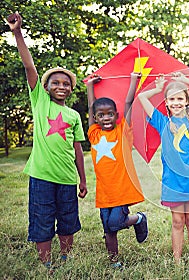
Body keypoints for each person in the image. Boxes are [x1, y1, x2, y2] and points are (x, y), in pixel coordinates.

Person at [6, 12, 87, 269]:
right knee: (42, 218)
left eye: (66, 83)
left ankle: (65, 256)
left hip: (66, 178)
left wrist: (82, 179)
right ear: (46, 86)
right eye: (55, 82)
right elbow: (29, 66)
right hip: (41, 176)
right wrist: (17, 32)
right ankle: (45, 262)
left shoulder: (73, 115)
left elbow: (77, 150)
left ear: (71, 89)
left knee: (67, 219)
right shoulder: (40, 102)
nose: (61, 86)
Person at [138, 72, 189, 264]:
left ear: (187, 101)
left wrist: (185, 81)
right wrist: (158, 88)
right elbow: (142, 97)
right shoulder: (162, 122)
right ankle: (177, 262)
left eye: (180, 98)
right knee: (177, 222)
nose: (176, 102)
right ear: (167, 102)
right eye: (172, 99)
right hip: (173, 182)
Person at [86, 73, 148, 268]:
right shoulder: (94, 133)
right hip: (104, 192)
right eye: (101, 115)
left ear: (116, 115)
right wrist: (90, 86)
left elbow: (128, 102)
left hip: (121, 190)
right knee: (108, 229)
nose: (106, 118)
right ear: (96, 118)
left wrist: (133, 80)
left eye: (110, 114)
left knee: (115, 223)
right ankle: (114, 261)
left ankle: (138, 218)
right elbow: (90, 107)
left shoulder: (123, 131)